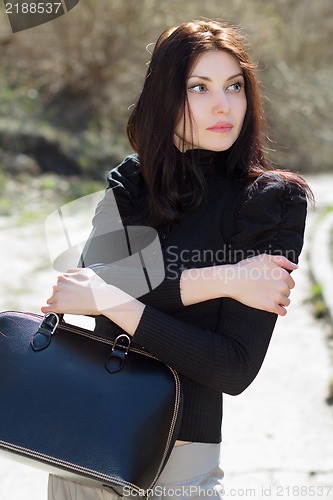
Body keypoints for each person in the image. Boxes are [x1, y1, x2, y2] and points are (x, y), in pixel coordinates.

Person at [42, 19, 311, 500]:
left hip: (181, 454)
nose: (223, 104)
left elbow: (233, 367)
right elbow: (85, 285)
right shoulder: (131, 183)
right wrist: (225, 277)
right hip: (85, 441)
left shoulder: (271, 202)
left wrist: (114, 299)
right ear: (165, 96)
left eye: (234, 86)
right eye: (199, 87)